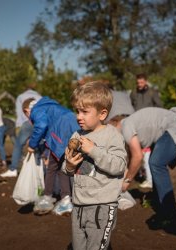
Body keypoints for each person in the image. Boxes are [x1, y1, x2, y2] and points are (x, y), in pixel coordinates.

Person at [62, 81, 127, 250]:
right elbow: (67, 169)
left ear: (102, 114)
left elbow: (119, 166)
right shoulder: (76, 135)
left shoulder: (112, 135)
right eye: (77, 111)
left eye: (84, 111)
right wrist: (69, 165)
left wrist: (93, 150)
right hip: (79, 204)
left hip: (102, 206)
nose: (78, 116)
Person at [110, 107, 176, 224]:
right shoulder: (127, 125)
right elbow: (132, 160)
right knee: (155, 163)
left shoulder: (125, 127)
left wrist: (127, 181)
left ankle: (169, 213)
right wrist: (121, 182)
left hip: (174, 126)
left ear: (114, 125)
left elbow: (137, 157)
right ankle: (158, 201)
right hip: (169, 127)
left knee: (156, 163)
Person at [23, 96, 79, 215]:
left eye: (27, 115)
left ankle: (48, 197)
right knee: (60, 166)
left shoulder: (36, 110)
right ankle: (65, 198)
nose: (29, 118)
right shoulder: (48, 105)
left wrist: (32, 145)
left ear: (27, 110)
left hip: (60, 134)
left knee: (51, 168)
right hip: (71, 127)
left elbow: (41, 126)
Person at [1, 83, 41, 178]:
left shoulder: (21, 97)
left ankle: (13, 169)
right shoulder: (39, 96)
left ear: (26, 89)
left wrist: (20, 125)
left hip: (28, 122)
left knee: (18, 145)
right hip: (40, 122)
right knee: (38, 145)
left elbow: (20, 112)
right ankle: (38, 167)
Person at [130, 73, 163, 189]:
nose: (140, 84)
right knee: (138, 151)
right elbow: (131, 107)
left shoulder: (152, 92)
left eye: (142, 82)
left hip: (150, 126)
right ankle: (142, 173)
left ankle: (153, 176)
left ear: (146, 81)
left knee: (149, 152)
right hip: (137, 125)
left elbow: (159, 106)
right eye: (138, 82)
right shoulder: (133, 93)